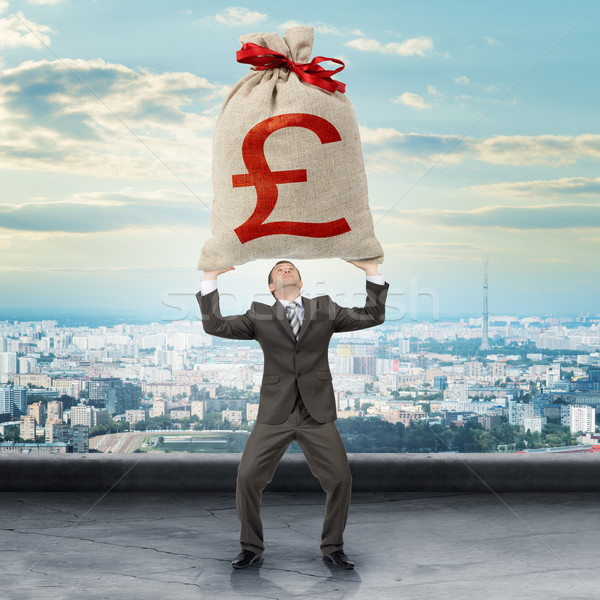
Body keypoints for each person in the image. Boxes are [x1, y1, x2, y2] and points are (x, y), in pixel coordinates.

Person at [197, 259, 389, 570]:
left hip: (317, 411)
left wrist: (371, 271)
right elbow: (214, 325)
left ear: (301, 281)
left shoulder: (325, 308)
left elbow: (373, 315)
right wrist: (210, 277)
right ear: (271, 287)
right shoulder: (259, 315)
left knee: (340, 478)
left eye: (291, 268)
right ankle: (250, 547)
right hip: (276, 411)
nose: (287, 270)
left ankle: (333, 547)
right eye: (279, 270)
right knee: (247, 477)